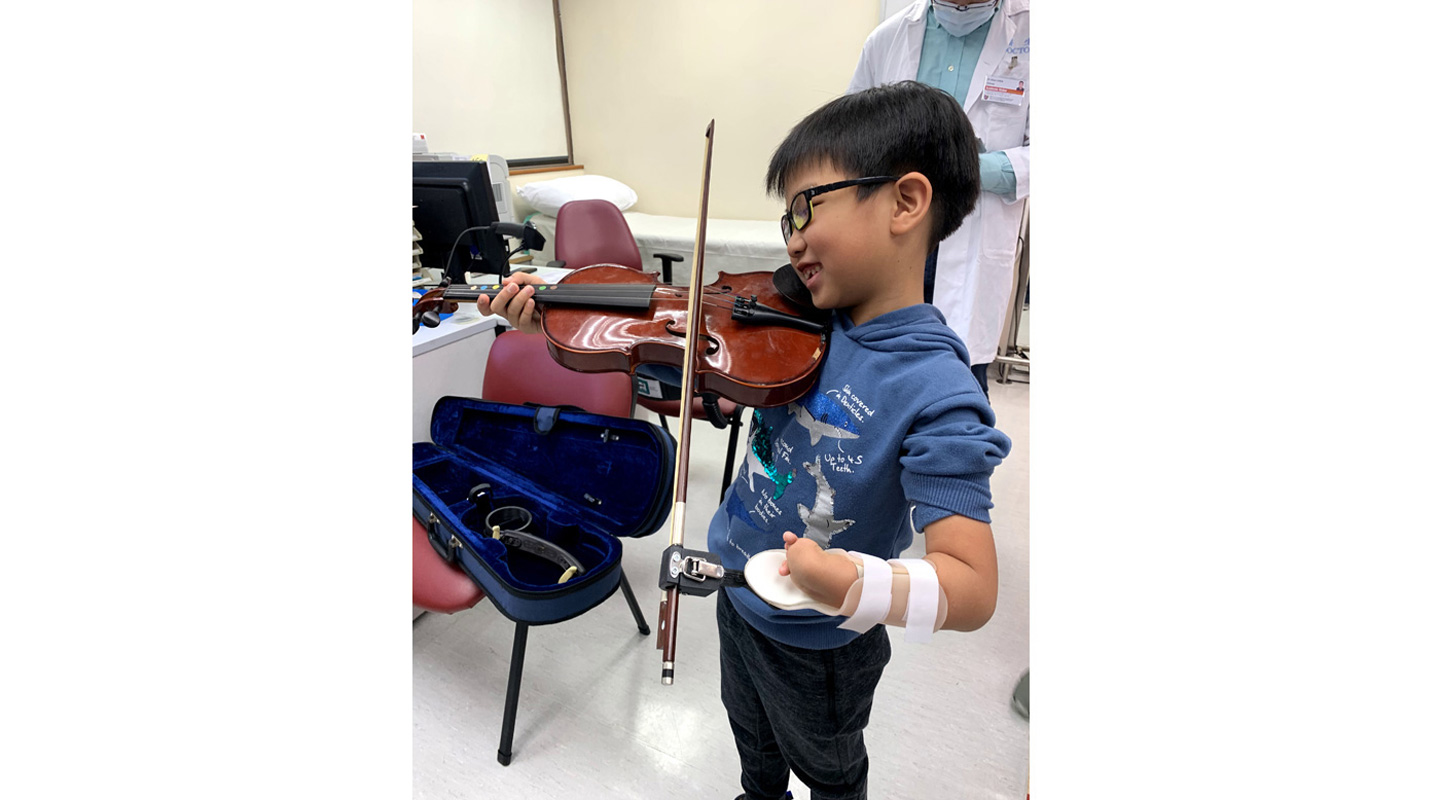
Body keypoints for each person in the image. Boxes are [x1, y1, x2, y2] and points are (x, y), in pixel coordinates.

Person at [481, 81, 1011, 800]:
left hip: (822, 645)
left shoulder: (938, 392)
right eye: (785, 214)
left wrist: (856, 584)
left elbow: (972, 587)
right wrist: (550, 318)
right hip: (737, 595)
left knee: (828, 767)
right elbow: (688, 361)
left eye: (806, 207)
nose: (790, 237)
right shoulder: (794, 317)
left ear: (905, 202)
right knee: (751, 738)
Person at [849, 0, 1030, 398]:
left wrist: (966, 171)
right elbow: (850, 140)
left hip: (972, 242)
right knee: (877, 377)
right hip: (894, 238)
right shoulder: (888, 39)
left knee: (957, 387)